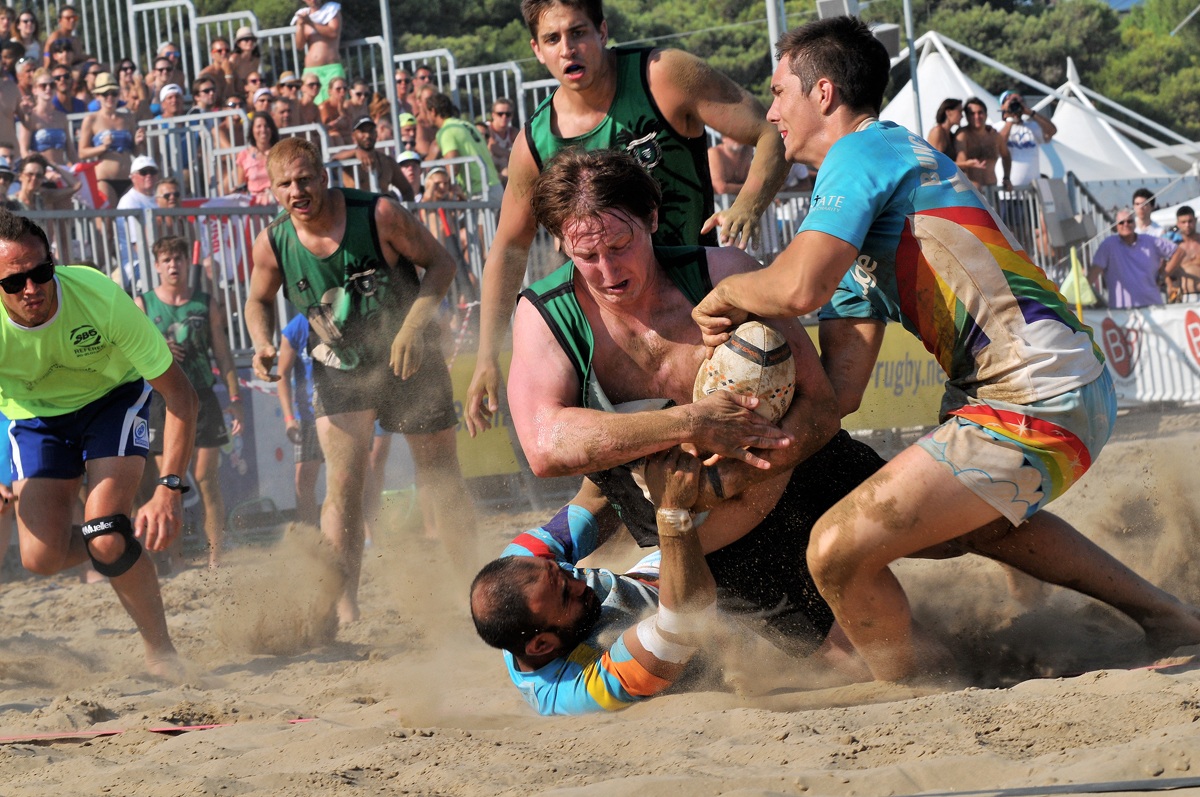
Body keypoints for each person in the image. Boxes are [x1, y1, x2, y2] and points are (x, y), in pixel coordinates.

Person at [691, 16, 1200, 683]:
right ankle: (1165, 615)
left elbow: (796, 284)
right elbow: (843, 387)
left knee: (836, 552)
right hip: (1047, 388)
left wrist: (728, 294)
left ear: (823, 94)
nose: (771, 111)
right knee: (966, 530)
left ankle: (924, 691)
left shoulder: (864, 150)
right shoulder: (856, 207)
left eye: (780, 90)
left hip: (1037, 389)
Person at [509, 148, 888, 669]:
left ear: (652, 219)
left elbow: (821, 407)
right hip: (724, 550)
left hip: (806, 468)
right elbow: (544, 446)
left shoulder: (722, 273)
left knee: (973, 527)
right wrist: (693, 421)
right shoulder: (546, 315)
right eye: (586, 257)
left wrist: (739, 477)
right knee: (872, 663)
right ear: (561, 245)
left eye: (621, 245)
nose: (608, 271)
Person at [464, 0, 791, 436]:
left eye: (578, 32)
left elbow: (772, 130)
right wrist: (487, 354)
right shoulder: (536, 142)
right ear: (536, 50)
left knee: (756, 434)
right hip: (616, 329)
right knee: (618, 478)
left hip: (699, 301)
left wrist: (748, 204)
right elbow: (508, 247)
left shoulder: (662, 76)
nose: (568, 49)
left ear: (602, 30)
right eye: (552, 39)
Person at [244, 137, 478, 623]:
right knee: (344, 486)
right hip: (341, 365)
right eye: (285, 184)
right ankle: (337, 606)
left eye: (305, 178)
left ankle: (471, 590)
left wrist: (413, 328)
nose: (297, 191)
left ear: (324, 176)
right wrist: (261, 342)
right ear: (272, 191)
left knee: (439, 476)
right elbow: (258, 299)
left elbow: (442, 264)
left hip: (408, 357)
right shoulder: (272, 242)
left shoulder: (380, 214)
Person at [0, 211, 198, 677]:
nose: (31, 289)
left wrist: (169, 487)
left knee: (106, 532)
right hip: (34, 416)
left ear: (54, 262)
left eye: (40, 273)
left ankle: (161, 653)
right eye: (14, 282)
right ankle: (116, 541)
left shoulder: (99, 296)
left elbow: (181, 395)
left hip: (113, 399)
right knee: (40, 559)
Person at [472, 452, 741, 716]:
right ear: (542, 645)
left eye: (562, 572)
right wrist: (671, 509)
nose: (577, 583)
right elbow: (687, 620)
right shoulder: (577, 690)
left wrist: (623, 443)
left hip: (664, 576)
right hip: (718, 624)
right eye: (566, 596)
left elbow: (598, 497)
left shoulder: (522, 564)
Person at [134, 236, 243, 569]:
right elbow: (131, 355)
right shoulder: (143, 304)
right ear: (156, 266)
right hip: (163, 400)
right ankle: (177, 558)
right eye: (166, 260)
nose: (172, 265)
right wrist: (160, 349)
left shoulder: (204, 303)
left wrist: (235, 398)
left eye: (178, 259)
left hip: (202, 397)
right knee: (172, 482)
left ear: (186, 263)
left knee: (207, 478)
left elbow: (223, 354)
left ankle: (216, 556)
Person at [276, 314, 322, 526]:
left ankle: (369, 538)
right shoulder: (296, 327)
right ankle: (313, 539)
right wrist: (289, 418)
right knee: (303, 481)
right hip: (307, 416)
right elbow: (282, 375)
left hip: (343, 411)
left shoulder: (346, 313)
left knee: (353, 477)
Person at [78, 72, 144, 207]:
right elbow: (82, 152)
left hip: (128, 178)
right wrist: (103, 147)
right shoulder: (91, 119)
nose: (110, 97)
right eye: (105, 94)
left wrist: (139, 143)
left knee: (131, 224)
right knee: (106, 224)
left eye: (114, 93)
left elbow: (136, 152)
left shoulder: (128, 118)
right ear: (97, 96)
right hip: (104, 180)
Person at [1089, 208, 1176, 309]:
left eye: (1129, 221)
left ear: (1134, 224)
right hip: (1122, 312)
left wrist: (1163, 275)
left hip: (1153, 306)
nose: (1126, 224)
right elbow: (1095, 271)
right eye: (1121, 222)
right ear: (1116, 226)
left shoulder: (1149, 241)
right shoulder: (1108, 245)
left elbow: (1179, 252)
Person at [333, 116, 414, 199]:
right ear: (353, 135)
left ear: (376, 133)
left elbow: (407, 191)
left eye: (371, 130)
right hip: (357, 209)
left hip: (380, 210)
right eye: (362, 131)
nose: (367, 135)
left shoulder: (387, 162)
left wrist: (407, 208)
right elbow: (333, 160)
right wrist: (356, 152)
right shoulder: (348, 159)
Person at [115, 154, 160, 292]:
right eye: (143, 172)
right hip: (136, 264)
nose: (149, 175)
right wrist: (158, 263)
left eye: (152, 171)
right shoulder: (129, 201)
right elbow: (138, 245)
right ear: (133, 177)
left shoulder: (161, 197)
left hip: (158, 258)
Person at [997, 90, 1056, 188]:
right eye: (1010, 100)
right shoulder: (997, 128)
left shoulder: (1032, 127)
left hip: (1032, 192)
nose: (1015, 104)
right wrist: (1010, 119)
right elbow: (999, 144)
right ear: (1002, 106)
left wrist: (1031, 113)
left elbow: (1052, 131)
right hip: (1007, 193)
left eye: (1019, 101)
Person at [293, 0, 342, 105]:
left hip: (331, 68)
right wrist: (301, 25)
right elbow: (299, 46)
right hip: (311, 71)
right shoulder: (302, 15)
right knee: (312, 105)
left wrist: (310, 23)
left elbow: (333, 33)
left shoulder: (332, 10)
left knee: (336, 104)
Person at [954, 96, 1007, 189]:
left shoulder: (994, 135)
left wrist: (1007, 177)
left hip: (992, 189)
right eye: (972, 113)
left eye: (980, 112)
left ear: (986, 114)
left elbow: (1006, 155)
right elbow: (960, 160)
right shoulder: (963, 134)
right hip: (973, 192)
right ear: (967, 116)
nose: (977, 117)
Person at [233, 113, 279, 204]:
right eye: (258, 126)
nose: (263, 130)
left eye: (266, 126)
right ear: (252, 130)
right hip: (255, 207)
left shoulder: (280, 153)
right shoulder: (244, 155)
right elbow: (241, 186)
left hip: (278, 203)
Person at [1165, 206, 1200, 302]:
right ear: (1178, 224)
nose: (1187, 225)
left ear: (1195, 220)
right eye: (1183, 222)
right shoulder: (1173, 246)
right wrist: (1170, 286)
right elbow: (1164, 271)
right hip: (1183, 296)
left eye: (1190, 221)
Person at [485, 97, 518, 183]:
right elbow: (494, 149)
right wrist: (511, 154)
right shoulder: (487, 129)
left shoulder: (513, 132)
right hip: (488, 169)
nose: (504, 117)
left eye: (508, 114)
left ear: (512, 116)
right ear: (493, 115)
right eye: (500, 114)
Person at [229, 27, 261, 102]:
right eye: (246, 40)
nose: (250, 42)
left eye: (252, 40)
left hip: (250, 92)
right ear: (238, 44)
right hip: (235, 93)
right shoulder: (234, 59)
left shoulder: (256, 59)